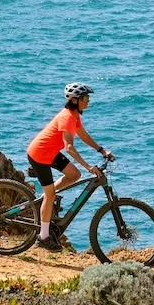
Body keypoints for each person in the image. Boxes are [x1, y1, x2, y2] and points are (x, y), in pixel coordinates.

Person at [26, 82, 112, 249]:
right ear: (74, 100)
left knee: (74, 175)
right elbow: (69, 147)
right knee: (51, 195)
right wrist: (89, 167)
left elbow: (84, 136)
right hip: (39, 155)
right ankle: (43, 237)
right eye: (85, 98)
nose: (88, 101)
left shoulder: (74, 115)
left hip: (49, 153)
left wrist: (101, 150)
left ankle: (46, 200)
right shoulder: (67, 117)